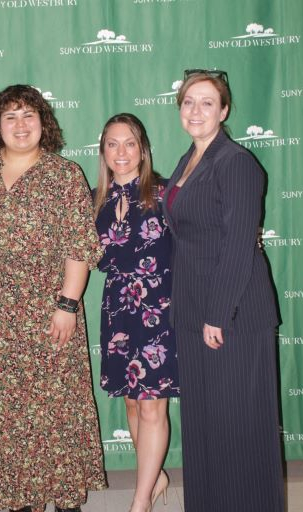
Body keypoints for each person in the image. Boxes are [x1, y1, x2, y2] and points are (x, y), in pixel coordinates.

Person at [0, 84, 106, 512]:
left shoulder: (64, 175)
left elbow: (78, 246)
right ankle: (17, 500)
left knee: (55, 411)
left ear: (44, 123)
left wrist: (67, 305)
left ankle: (64, 501)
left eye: (29, 115)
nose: (20, 125)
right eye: (10, 116)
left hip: (49, 313)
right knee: (3, 418)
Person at [163, 70, 285, 512]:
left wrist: (216, 314)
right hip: (194, 314)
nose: (196, 111)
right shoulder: (189, 160)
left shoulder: (236, 162)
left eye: (207, 102)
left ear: (224, 110)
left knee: (237, 428)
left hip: (231, 316)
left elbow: (238, 244)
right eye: (188, 102)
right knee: (205, 428)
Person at [93, 114, 179, 512]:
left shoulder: (165, 193)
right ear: (104, 151)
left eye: (129, 143)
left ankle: (141, 500)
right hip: (118, 310)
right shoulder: (98, 200)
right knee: (130, 403)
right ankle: (155, 474)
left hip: (158, 311)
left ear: (142, 149)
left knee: (151, 404)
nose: (122, 152)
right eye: (113, 143)